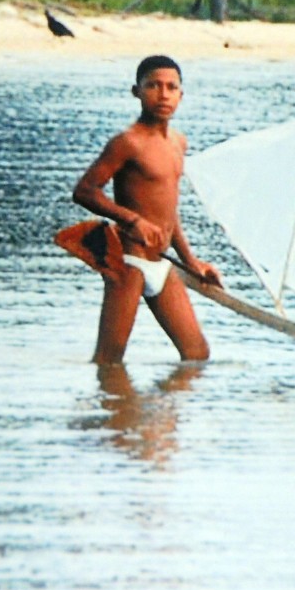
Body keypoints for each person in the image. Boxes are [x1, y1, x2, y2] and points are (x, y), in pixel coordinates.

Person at [72, 55, 221, 364]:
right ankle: (114, 411)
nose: (163, 94)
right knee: (109, 360)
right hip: (129, 263)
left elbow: (168, 211)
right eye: (153, 85)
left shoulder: (178, 143)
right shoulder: (127, 143)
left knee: (196, 355)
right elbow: (85, 191)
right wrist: (131, 219)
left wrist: (191, 261)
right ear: (136, 91)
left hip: (163, 263)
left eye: (171, 87)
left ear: (181, 95)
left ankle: (160, 413)